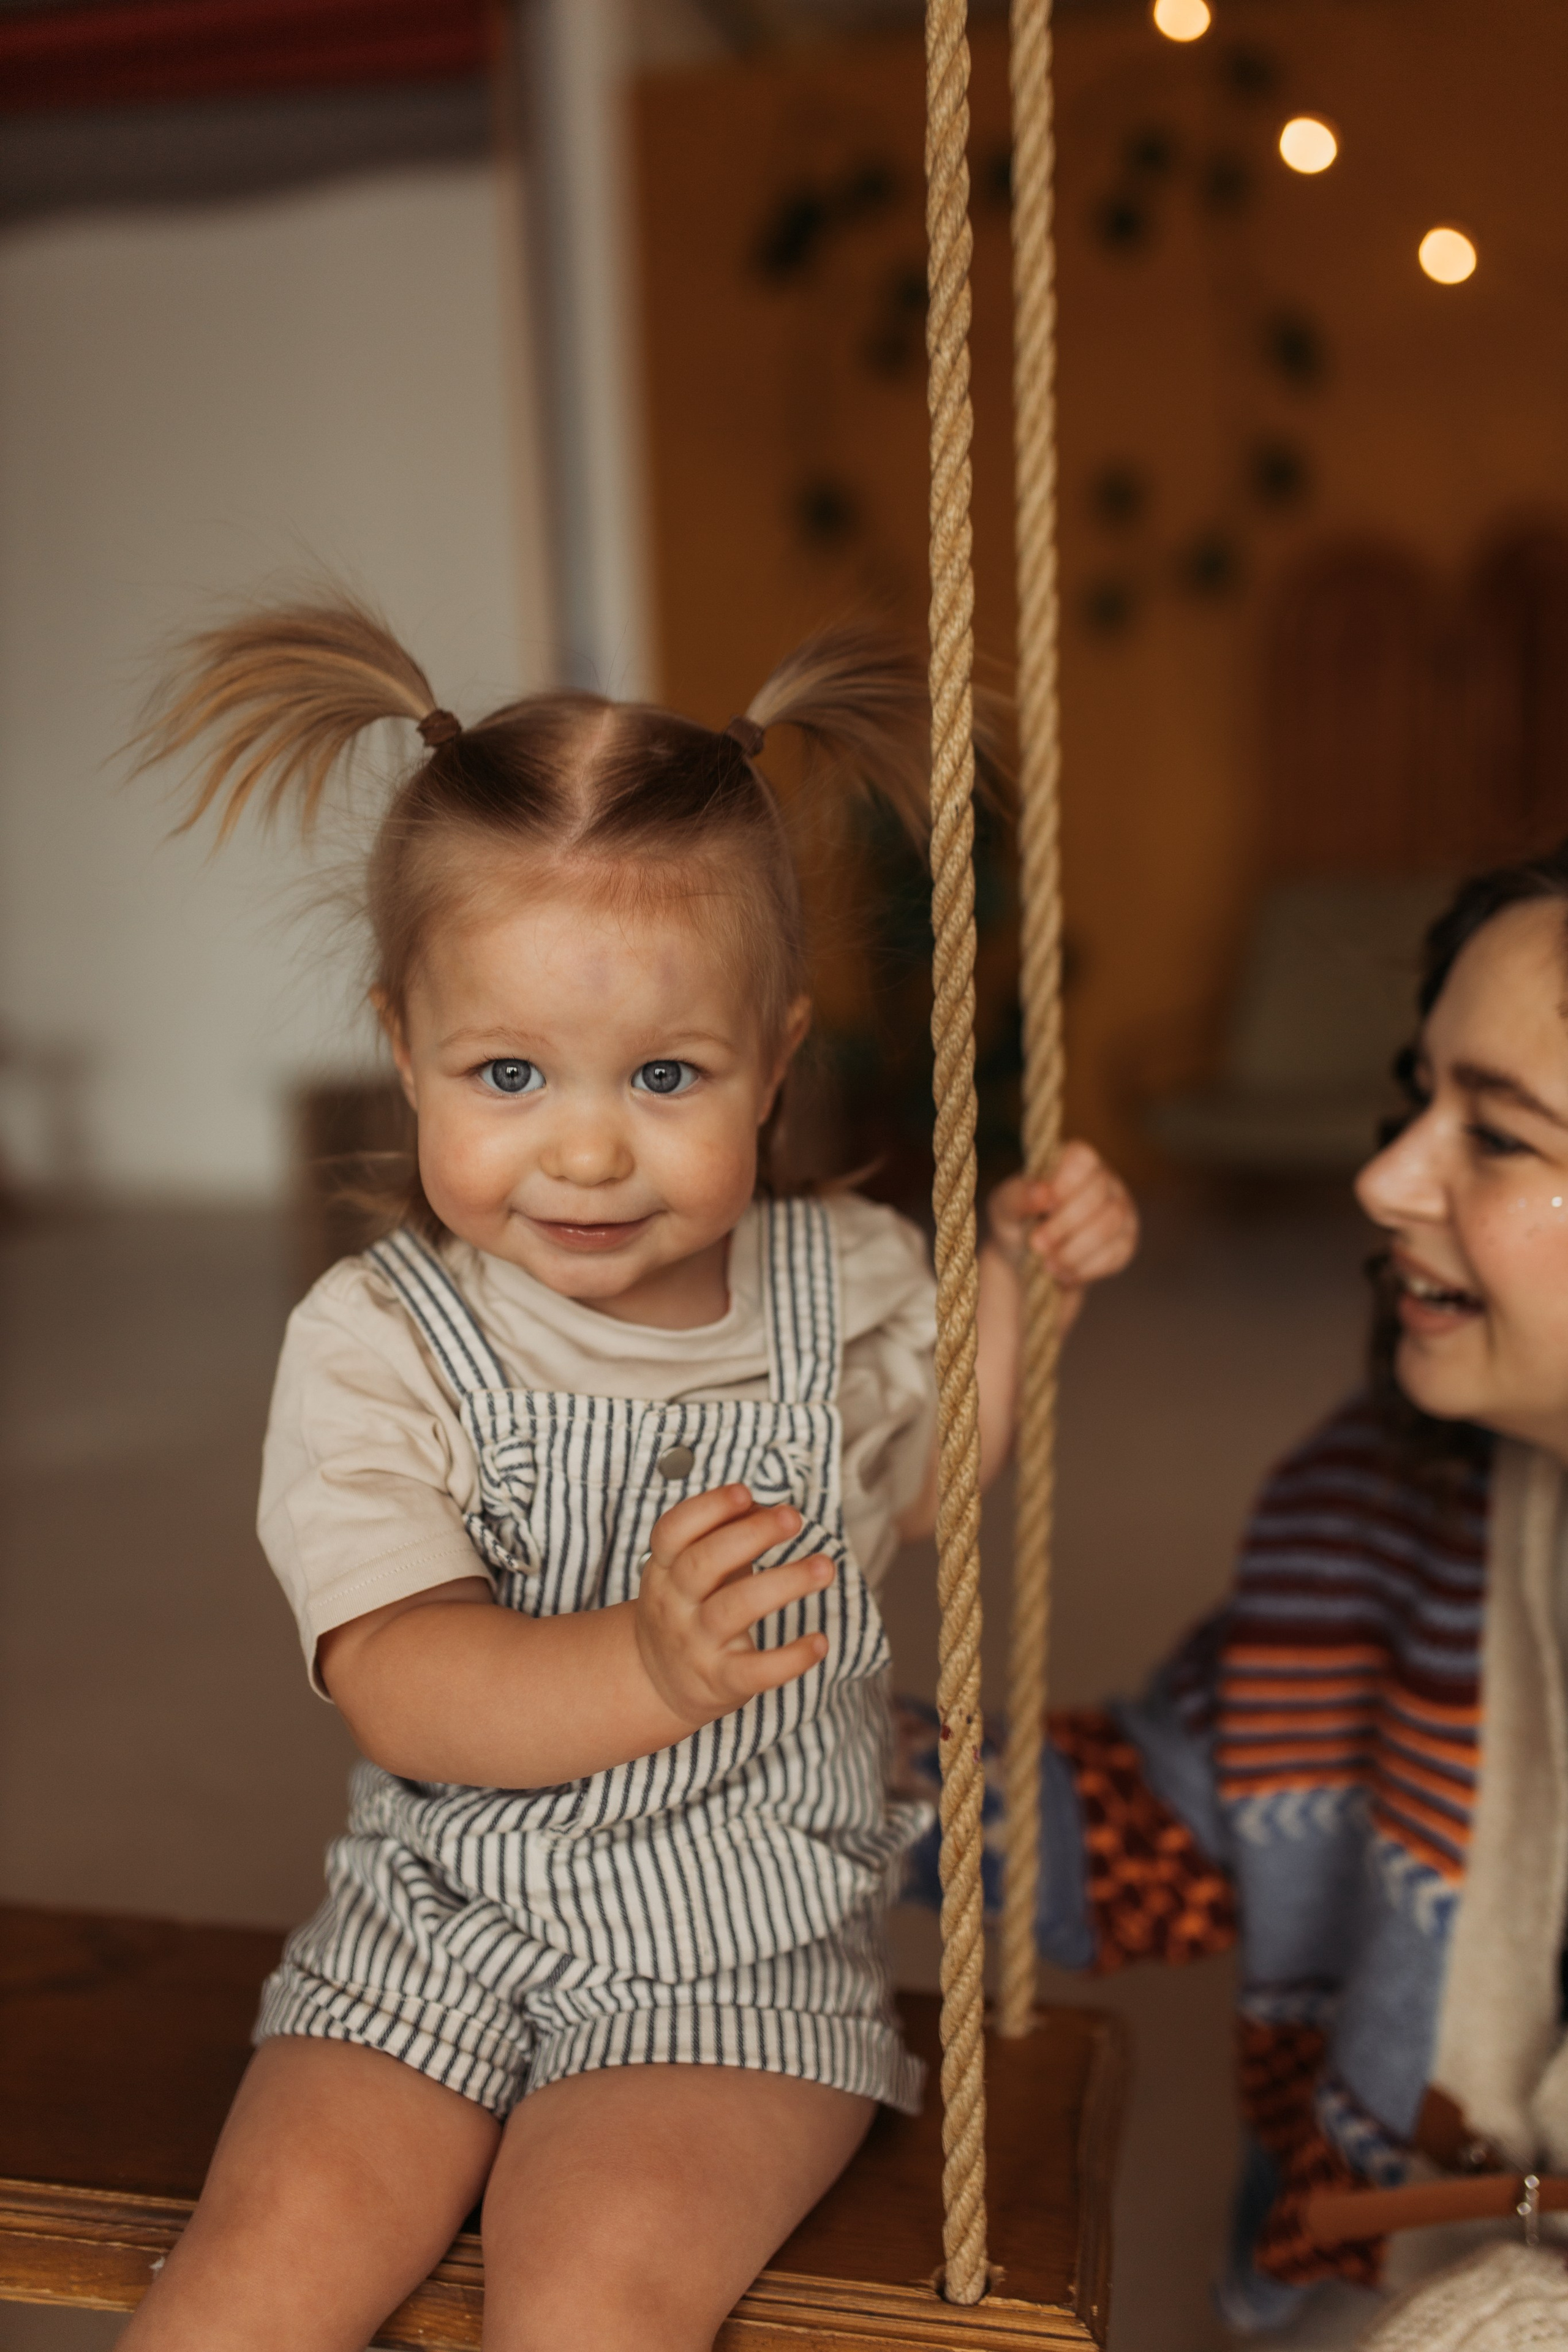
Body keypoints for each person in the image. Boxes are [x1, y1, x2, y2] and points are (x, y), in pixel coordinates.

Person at [119, 602, 1138, 2352]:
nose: (587, 1146)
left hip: (736, 1963)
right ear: (404, 1046)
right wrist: (644, 1666)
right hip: (433, 1923)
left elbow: (916, 1495)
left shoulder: (856, 1285)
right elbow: (410, 1686)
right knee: (255, 2275)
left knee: (594, 2291)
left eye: (667, 1074)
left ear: (776, 1062)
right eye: (507, 1073)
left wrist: (1026, 1294)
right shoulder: (380, 1342)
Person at [907, 841, 1568, 2345]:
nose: (1382, 1174)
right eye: (1421, 1097)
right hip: (1389, 2259)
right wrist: (809, 1765)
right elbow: (1173, 1823)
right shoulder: (1384, 1498)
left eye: (1500, 1136)